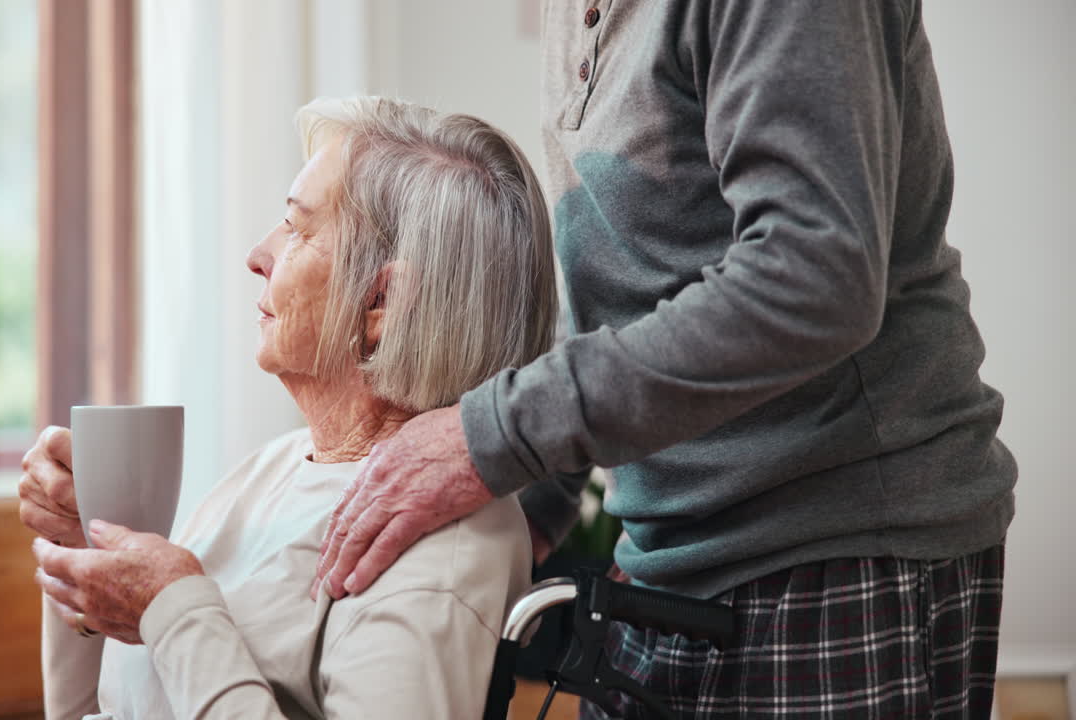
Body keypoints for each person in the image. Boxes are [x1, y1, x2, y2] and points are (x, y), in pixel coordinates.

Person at [313, 1, 1017, 717]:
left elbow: (813, 279)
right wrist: (533, 506)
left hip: (834, 552)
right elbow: (627, 279)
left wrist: (493, 434)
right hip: (667, 559)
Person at [17, 96, 558, 719]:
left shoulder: (442, 539)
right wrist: (81, 557)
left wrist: (172, 610)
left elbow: (175, 627)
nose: (258, 255)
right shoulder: (271, 469)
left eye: (298, 229)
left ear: (380, 301)